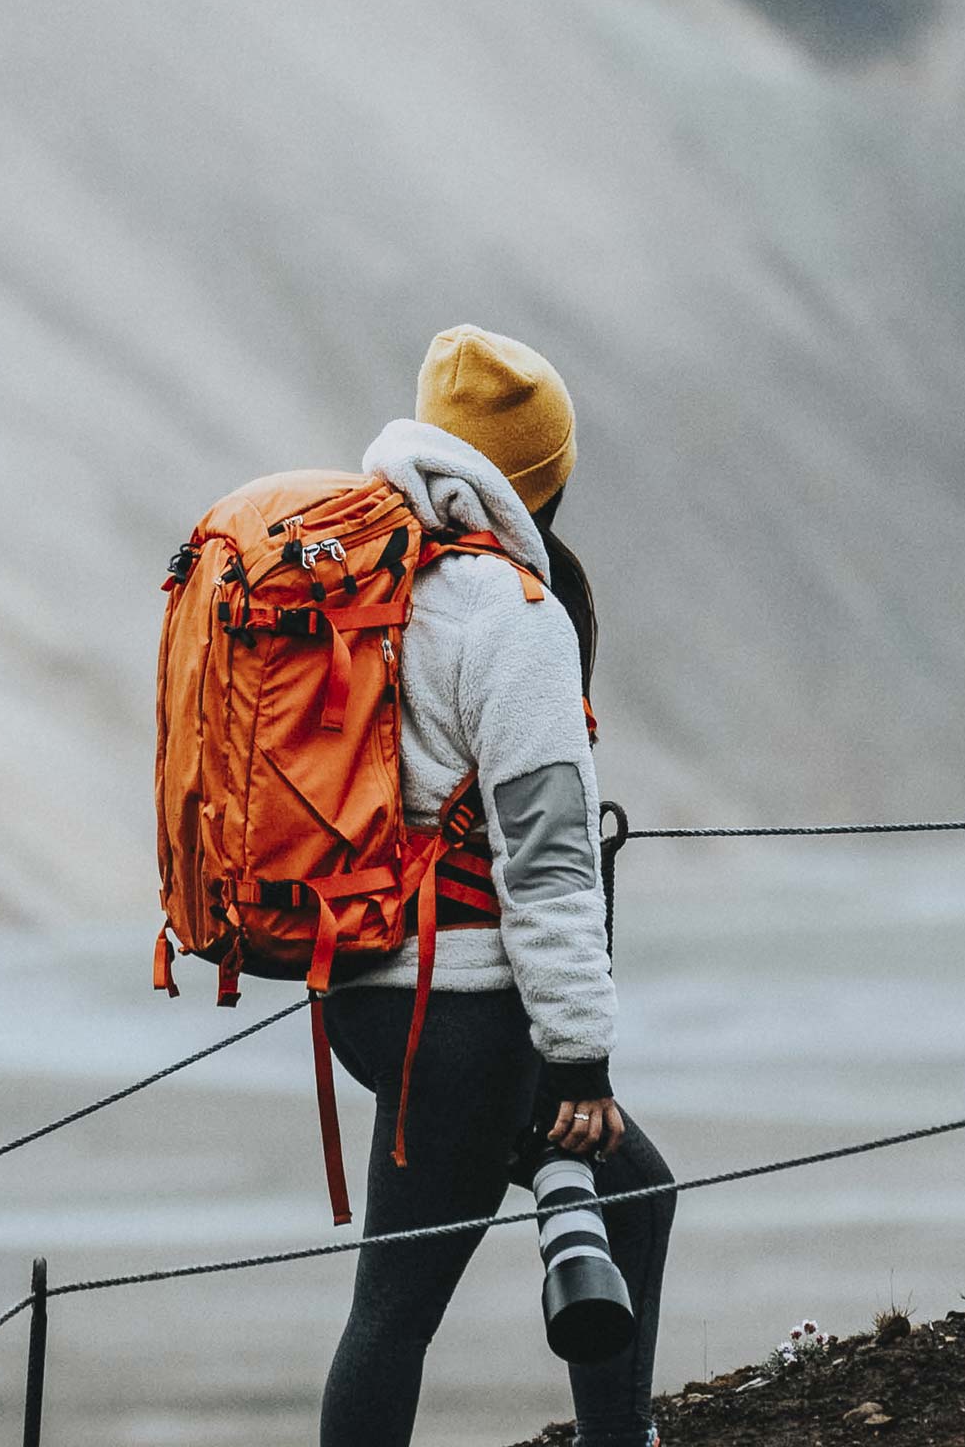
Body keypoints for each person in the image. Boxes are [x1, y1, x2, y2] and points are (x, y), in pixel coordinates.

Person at [320, 325, 674, 1447]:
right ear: (543, 479)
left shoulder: (365, 576)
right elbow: (550, 857)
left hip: (365, 995)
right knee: (394, 1316)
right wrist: (579, 1055)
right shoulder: (507, 615)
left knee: (633, 1193)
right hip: (463, 1015)